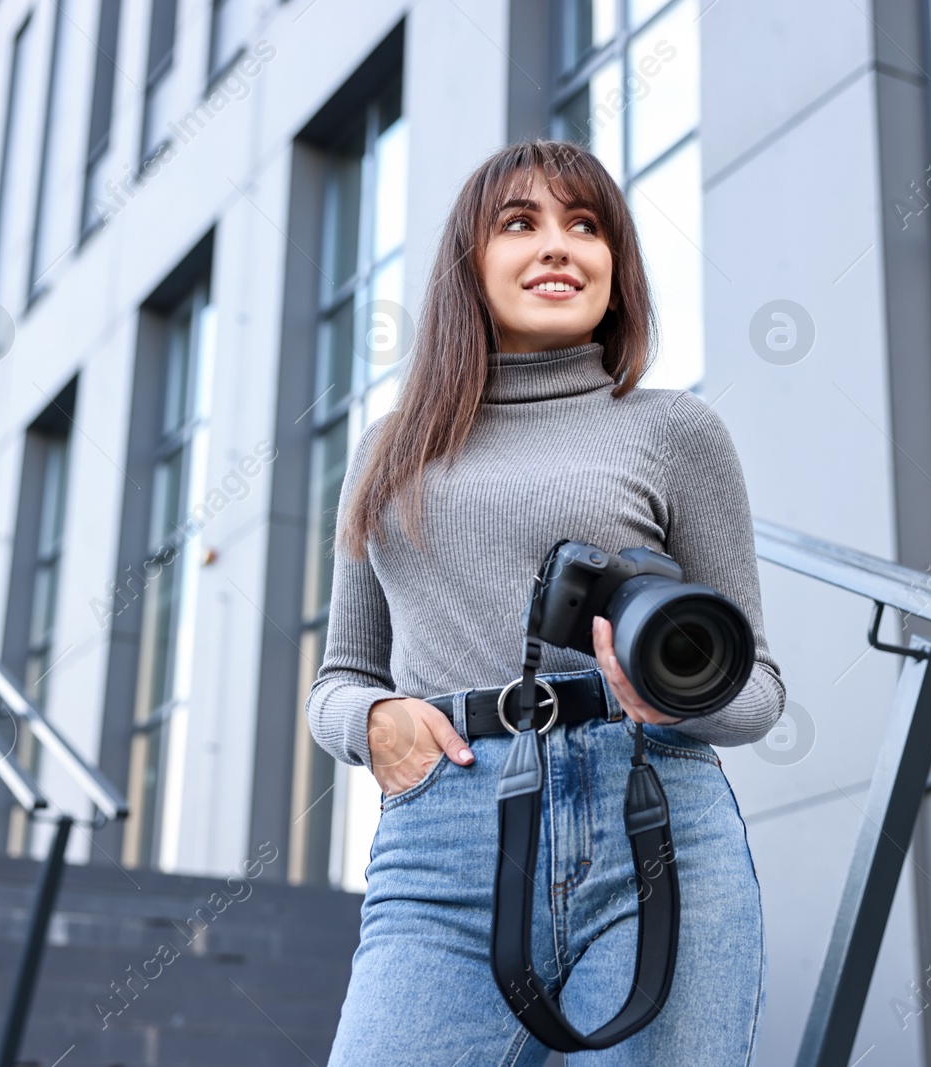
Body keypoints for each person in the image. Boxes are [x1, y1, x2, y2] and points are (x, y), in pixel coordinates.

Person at [307, 139, 786, 1065]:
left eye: (586, 226)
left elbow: (759, 684)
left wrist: (680, 693)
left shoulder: (674, 429)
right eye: (520, 224)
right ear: (471, 264)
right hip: (443, 844)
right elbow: (339, 677)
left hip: (654, 824)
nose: (559, 246)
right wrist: (375, 725)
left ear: (617, 264)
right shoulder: (388, 451)